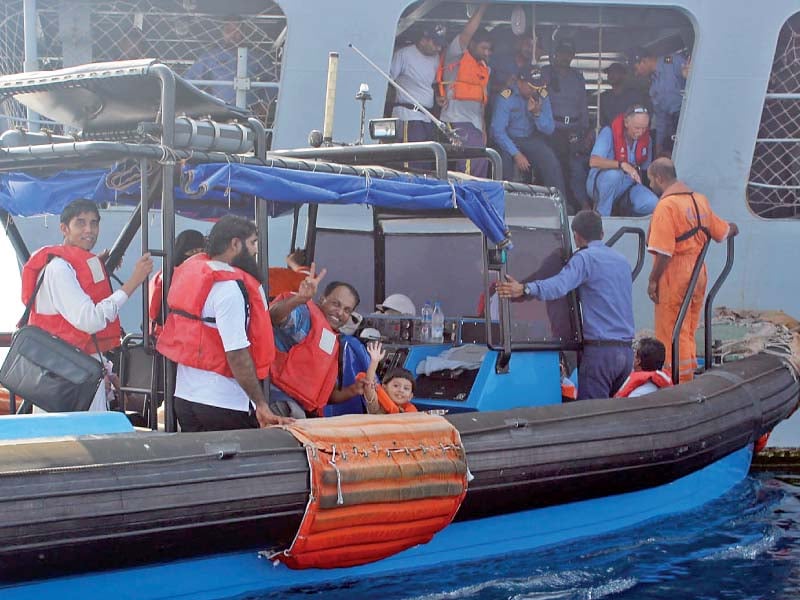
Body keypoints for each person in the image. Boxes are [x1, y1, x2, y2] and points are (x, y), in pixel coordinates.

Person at [156, 215, 288, 431]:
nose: (256, 250)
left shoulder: (192, 277)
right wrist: (261, 404)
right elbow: (236, 352)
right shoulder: (229, 288)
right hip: (224, 403)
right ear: (235, 244)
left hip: (184, 399)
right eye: (253, 242)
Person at [20, 199, 153, 411]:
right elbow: (90, 321)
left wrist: (98, 265)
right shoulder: (58, 269)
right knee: (80, 441)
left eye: (94, 223)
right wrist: (133, 282)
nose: (89, 230)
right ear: (64, 228)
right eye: (80, 223)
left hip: (72, 375)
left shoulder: (67, 265)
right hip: (67, 381)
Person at [496, 210, 634, 400]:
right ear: (602, 234)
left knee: (590, 417)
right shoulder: (622, 261)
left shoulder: (584, 258)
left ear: (576, 236)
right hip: (626, 353)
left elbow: (559, 286)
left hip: (600, 355)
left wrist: (525, 289)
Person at [646, 158, 738, 383]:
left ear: (659, 178)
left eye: (650, 181)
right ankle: (688, 377)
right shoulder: (700, 201)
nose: (650, 186)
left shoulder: (666, 207)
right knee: (687, 328)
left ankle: (674, 381)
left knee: (670, 330)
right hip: (698, 272)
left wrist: (652, 280)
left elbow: (664, 252)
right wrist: (734, 227)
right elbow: (723, 231)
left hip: (675, 273)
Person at [269, 268, 364, 418]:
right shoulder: (305, 315)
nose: (340, 313)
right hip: (278, 401)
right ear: (321, 300)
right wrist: (299, 299)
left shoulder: (333, 340)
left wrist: (353, 390)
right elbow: (273, 316)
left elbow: (326, 394)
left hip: (302, 410)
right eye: (336, 304)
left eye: (347, 310)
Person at [437, 3, 491, 177]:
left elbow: (481, 103)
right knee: (473, 161)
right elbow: (467, 33)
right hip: (455, 121)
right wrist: (483, 7)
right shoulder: (456, 55)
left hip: (474, 125)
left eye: (490, 49)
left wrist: (482, 129)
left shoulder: (484, 69)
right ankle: (468, 196)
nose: (488, 52)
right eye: (484, 48)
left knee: (482, 161)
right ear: (473, 44)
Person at [490, 66, 566, 191]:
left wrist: (537, 114)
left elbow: (550, 129)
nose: (534, 91)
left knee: (551, 161)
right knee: (505, 163)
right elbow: (498, 132)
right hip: (508, 139)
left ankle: (558, 202)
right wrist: (516, 154)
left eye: (537, 87)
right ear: (519, 83)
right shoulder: (506, 97)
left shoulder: (541, 95)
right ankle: (504, 202)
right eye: (531, 87)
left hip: (530, 138)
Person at [540, 40, 592, 213]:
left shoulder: (577, 77)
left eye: (568, 53)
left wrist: (585, 129)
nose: (564, 57)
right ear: (555, 54)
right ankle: (556, 202)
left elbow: (583, 103)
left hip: (574, 128)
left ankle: (574, 202)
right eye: (561, 53)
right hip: (553, 128)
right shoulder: (546, 72)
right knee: (555, 165)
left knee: (574, 167)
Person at [587, 104, 659, 216]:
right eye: (637, 128)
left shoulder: (647, 140)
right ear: (626, 123)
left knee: (652, 203)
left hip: (628, 186)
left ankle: (631, 224)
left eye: (644, 128)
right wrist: (622, 164)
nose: (640, 132)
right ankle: (602, 217)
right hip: (601, 184)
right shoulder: (608, 132)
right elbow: (593, 161)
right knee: (614, 175)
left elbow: (646, 170)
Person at [183, 19, 273, 108]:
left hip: (250, 113)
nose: (233, 35)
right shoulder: (210, 56)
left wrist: (264, 104)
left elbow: (274, 80)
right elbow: (190, 81)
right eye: (229, 30)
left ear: (244, 33)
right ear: (223, 33)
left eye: (237, 31)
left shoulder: (258, 57)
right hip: (220, 112)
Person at [388, 25, 446, 143]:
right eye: (435, 44)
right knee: (411, 159)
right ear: (423, 40)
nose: (439, 48)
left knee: (425, 158)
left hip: (427, 118)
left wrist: (437, 97)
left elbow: (433, 84)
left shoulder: (436, 58)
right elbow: (388, 80)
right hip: (408, 117)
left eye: (441, 45)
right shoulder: (403, 54)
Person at [630, 47, 689, 156]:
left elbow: (691, 74)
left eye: (636, 68)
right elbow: (661, 119)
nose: (637, 73)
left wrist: (687, 75)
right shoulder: (653, 86)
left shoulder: (669, 60)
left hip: (689, 116)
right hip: (674, 126)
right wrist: (659, 145)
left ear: (644, 61)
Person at [149, 229, 205, 337]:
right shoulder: (172, 276)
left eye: (201, 251)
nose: (198, 256)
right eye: (192, 252)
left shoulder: (163, 274)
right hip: (172, 339)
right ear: (180, 251)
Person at [360, 341, 418, 414]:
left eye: (406, 388)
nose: (401, 390)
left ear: (410, 396)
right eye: (396, 385)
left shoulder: (411, 412)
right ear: (384, 387)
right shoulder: (377, 406)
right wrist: (374, 362)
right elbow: (368, 385)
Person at [598, 62, 649, 127]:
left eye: (615, 72)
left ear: (623, 75)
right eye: (609, 73)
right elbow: (601, 122)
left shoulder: (634, 95)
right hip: (611, 133)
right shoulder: (604, 97)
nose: (611, 75)